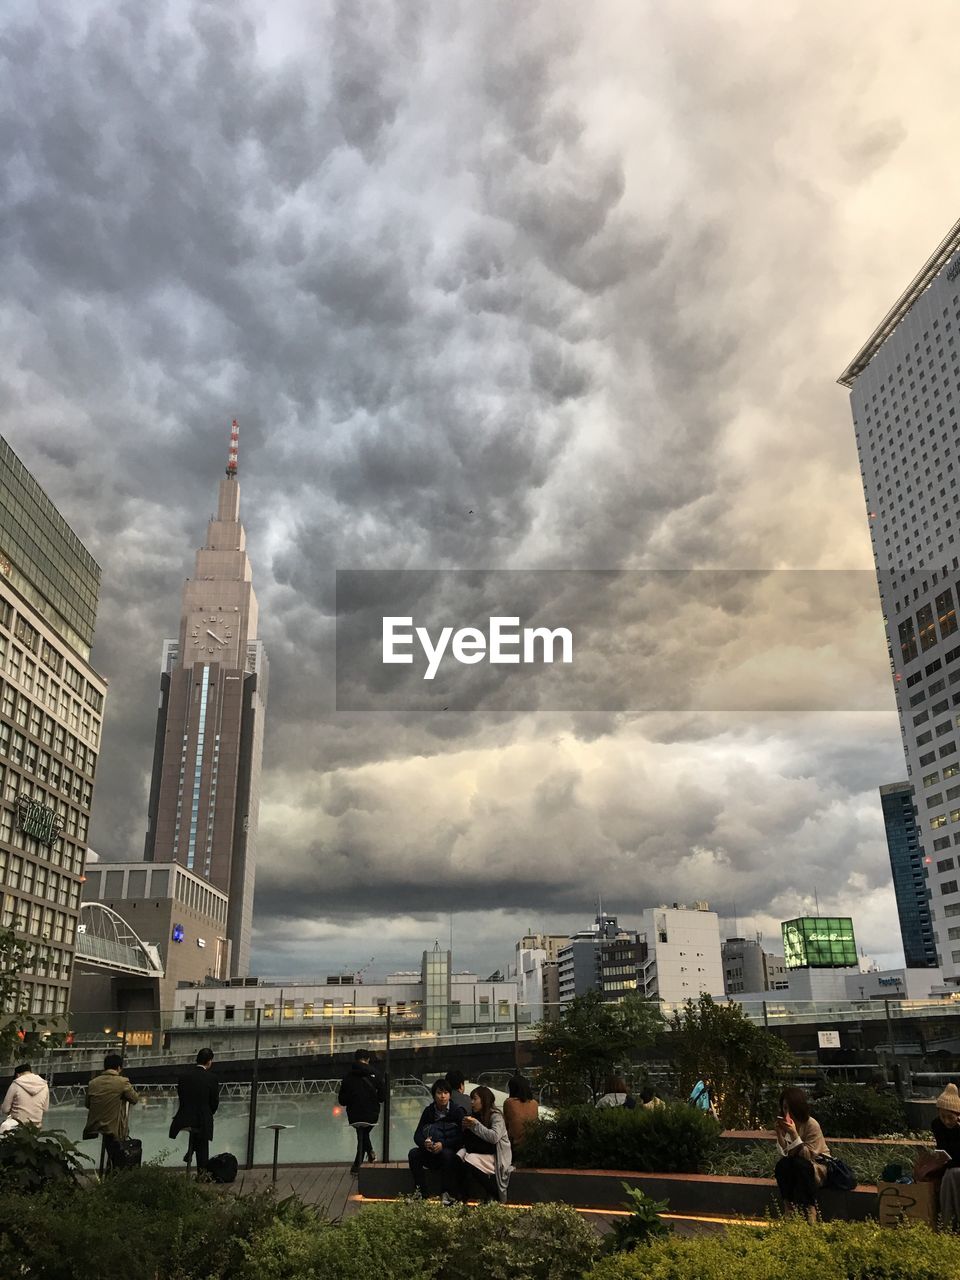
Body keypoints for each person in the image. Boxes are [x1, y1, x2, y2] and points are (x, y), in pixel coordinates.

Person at [774, 1086, 830, 1224]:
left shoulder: (811, 1124)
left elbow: (808, 1156)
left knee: (800, 1164)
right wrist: (779, 1134)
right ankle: (788, 1207)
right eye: (784, 1108)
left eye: (789, 1108)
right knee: (781, 1166)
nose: (787, 1112)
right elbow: (785, 1153)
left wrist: (794, 1134)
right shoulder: (788, 1125)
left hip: (816, 1166)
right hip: (796, 1164)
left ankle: (811, 1209)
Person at [409, 1079, 465, 1203]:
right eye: (439, 1093)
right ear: (434, 1095)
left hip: (448, 1154)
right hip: (431, 1152)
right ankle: (421, 1192)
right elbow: (417, 1135)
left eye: (445, 1093)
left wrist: (443, 1144)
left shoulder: (457, 1112)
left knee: (447, 1154)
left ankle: (446, 1192)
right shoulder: (429, 1111)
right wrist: (425, 1144)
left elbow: (462, 1137)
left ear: (450, 1095)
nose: (442, 1096)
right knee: (413, 1154)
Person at [457, 1085, 513, 1203]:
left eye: (475, 1099)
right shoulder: (476, 1116)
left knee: (469, 1160)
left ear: (484, 1099)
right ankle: (462, 1197)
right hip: (480, 1153)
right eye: (471, 1099)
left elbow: (494, 1137)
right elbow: (469, 1140)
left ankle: (493, 1193)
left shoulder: (496, 1116)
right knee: (458, 1158)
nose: (472, 1102)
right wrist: (465, 1128)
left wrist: (475, 1125)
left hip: (497, 1156)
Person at [169, 1047, 220, 1173]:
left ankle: (191, 1150)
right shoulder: (211, 1078)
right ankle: (202, 1172)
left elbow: (181, 1097)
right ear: (209, 1061)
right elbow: (214, 1102)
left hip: (183, 1117)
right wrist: (209, 1112)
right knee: (203, 1136)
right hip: (201, 1118)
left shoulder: (184, 1076)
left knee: (197, 1129)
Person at [83, 1053, 139, 1166]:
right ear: (119, 1068)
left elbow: (87, 1104)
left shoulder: (93, 1083)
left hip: (93, 1126)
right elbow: (134, 1099)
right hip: (113, 1128)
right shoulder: (122, 1082)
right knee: (119, 1156)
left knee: (112, 1149)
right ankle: (116, 1172)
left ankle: (110, 1169)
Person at [338, 1048, 384, 1174]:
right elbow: (382, 1098)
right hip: (372, 1115)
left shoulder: (348, 1076)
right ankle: (365, 1158)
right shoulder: (377, 1074)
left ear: (356, 1059)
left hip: (354, 1115)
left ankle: (358, 1165)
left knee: (362, 1133)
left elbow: (342, 1100)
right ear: (368, 1059)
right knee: (364, 1133)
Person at [932, 1082, 960, 1228]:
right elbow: (942, 1148)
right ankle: (948, 1222)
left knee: (954, 1173)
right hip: (948, 1164)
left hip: (955, 1167)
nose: (946, 1121)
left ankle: (950, 1222)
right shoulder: (937, 1125)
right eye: (942, 1117)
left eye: (950, 1117)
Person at [0, 1063, 49, 1131]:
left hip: (17, 1125)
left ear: (17, 1075)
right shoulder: (44, 1084)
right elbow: (45, 1109)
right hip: (36, 1126)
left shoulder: (16, 1083)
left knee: (4, 1127)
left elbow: (5, 1109)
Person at [502, 1074, 539, 1155]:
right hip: (533, 1144)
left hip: (515, 1145)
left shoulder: (509, 1102)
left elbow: (505, 1124)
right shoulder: (534, 1103)